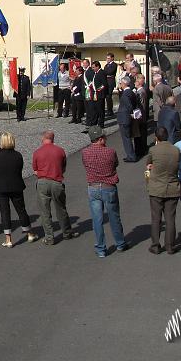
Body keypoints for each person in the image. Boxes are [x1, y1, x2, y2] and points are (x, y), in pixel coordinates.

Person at [82, 126, 127, 258]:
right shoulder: (110, 152)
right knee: (114, 217)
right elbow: (115, 164)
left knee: (97, 220)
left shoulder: (85, 153)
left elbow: (85, 165)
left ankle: (101, 248)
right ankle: (120, 243)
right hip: (108, 186)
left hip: (93, 187)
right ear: (100, 139)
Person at [0, 132, 38, 248]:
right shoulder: (18, 155)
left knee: (5, 212)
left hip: (0, 187)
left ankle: (8, 239)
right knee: (21, 210)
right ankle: (29, 233)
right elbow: (19, 169)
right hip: (16, 185)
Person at [31, 131, 76, 245]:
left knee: (45, 211)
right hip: (56, 182)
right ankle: (67, 232)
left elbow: (35, 170)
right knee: (61, 208)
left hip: (42, 182)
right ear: (53, 139)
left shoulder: (37, 152)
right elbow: (63, 168)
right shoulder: (60, 151)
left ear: (43, 138)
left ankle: (49, 237)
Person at [146, 126, 181, 254]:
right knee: (170, 218)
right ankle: (170, 246)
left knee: (156, 218)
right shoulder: (176, 150)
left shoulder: (153, 150)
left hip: (156, 188)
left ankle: (155, 245)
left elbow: (148, 164)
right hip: (172, 187)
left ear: (156, 137)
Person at [116, 80, 138, 162]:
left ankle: (131, 156)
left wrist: (130, 113)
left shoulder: (125, 94)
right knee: (127, 137)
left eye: (121, 83)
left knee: (126, 138)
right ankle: (131, 155)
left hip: (124, 118)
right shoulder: (131, 92)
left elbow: (129, 106)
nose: (120, 84)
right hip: (127, 118)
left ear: (124, 84)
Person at [87, 61, 107, 127]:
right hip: (95, 94)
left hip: (100, 94)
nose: (92, 68)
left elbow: (104, 84)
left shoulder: (102, 73)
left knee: (100, 110)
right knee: (95, 109)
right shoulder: (95, 73)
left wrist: (97, 90)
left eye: (93, 67)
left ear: (97, 66)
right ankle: (94, 123)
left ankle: (101, 124)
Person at [103, 53, 118, 118]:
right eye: (107, 58)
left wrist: (106, 73)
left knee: (109, 96)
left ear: (112, 58)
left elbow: (110, 72)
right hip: (106, 81)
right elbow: (105, 72)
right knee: (107, 96)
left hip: (110, 82)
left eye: (109, 58)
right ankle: (108, 109)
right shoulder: (106, 65)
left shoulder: (114, 64)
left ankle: (110, 111)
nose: (107, 59)